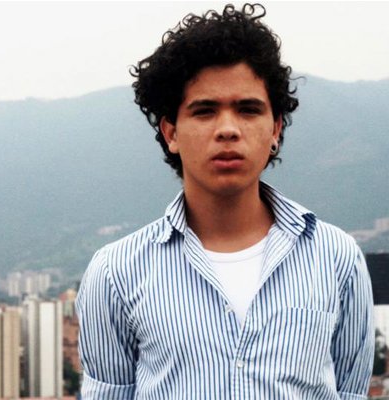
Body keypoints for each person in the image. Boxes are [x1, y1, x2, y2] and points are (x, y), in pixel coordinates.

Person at [76, 3, 374, 399]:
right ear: (171, 133)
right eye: (205, 111)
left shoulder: (336, 258)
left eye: (248, 110)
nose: (228, 129)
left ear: (275, 129)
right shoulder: (116, 273)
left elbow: (352, 391)